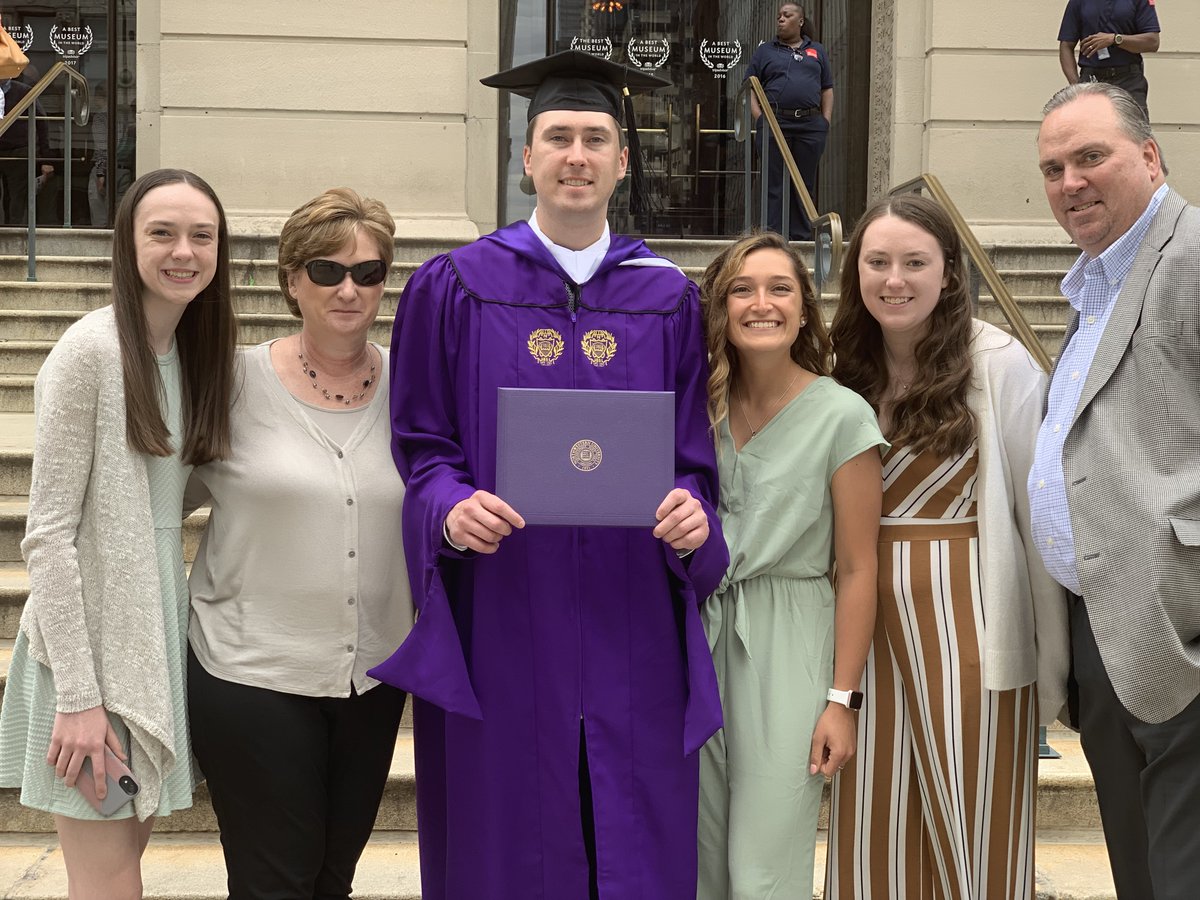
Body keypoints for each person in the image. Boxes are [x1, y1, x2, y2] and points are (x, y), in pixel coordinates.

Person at [368, 50, 728, 900]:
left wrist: (692, 512)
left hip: (628, 613)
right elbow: (422, 448)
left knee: (633, 827)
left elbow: (692, 459)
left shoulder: (668, 298)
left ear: (622, 162)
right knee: (505, 829)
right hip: (504, 606)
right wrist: (450, 510)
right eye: (557, 136)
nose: (577, 154)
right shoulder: (454, 286)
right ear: (525, 158)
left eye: (596, 138)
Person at [824, 193, 1069, 900]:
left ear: (949, 272)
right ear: (855, 270)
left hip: (968, 618)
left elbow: (1033, 509)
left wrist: (1049, 651)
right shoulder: (838, 366)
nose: (894, 279)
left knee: (976, 822)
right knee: (873, 817)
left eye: (914, 262)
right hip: (858, 623)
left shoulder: (997, 363)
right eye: (877, 262)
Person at [0, 168, 237, 898]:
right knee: (107, 883)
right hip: (89, 656)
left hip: (152, 635)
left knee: (121, 868)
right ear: (126, 243)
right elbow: (47, 535)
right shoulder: (89, 351)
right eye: (161, 232)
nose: (184, 251)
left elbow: (176, 491)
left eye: (202, 235)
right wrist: (78, 696)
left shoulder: (191, 354)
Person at [185, 187, 412, 900]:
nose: (349, 289)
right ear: (291, 280)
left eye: (368, 273)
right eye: (326, 271)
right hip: (251, 672)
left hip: (372, 677)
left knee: (331, 879)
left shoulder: (414, 389)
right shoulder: (231, 383)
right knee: (273, 882)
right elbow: (156, 505)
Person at [1031, 81, 1200, 900]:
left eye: (1090, 157)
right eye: (1054, 167)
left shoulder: (1193, 255)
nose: (1071, 182)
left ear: (1149, 154)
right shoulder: (1094, 280)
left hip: (1182, 627)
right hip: (1104, 631)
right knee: (1141, 877)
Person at [695, 231, 885, 899]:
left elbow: (859, 568)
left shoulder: (842, 417)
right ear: (720, 308)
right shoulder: (698, 409)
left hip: (791, 643)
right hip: (696, 636)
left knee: (765, 865)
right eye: (741, 290)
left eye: (780, 289)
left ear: (805, 308)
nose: (761, 303)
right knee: (695, 854)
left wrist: (841, 700)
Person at [744, 3, 832, 241]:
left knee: (803, 183)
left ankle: (801, 238)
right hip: (774, 121)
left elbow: (827, 88)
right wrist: (760, 117)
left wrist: (825, 121)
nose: (780, 19)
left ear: (800, 21)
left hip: (809, 123)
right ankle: (773, 237)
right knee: (773, 182)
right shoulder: (765, 52)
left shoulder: (817, 51)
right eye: (779, 16)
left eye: (787, 15)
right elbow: (750, 87)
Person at [1058, 0, 1160, 118]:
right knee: (1091, 131)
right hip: (1091, 79)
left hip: (1128, 80)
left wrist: (1115, 39)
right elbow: (1066, 45)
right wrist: (1076, 86)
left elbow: (1153, 42)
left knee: (1133, 133)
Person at [0, 74, 54, 224]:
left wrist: (46, 158)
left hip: (19, 150)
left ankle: (15, 231)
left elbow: (42, 123)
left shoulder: (24, 91)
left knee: (17, 197)